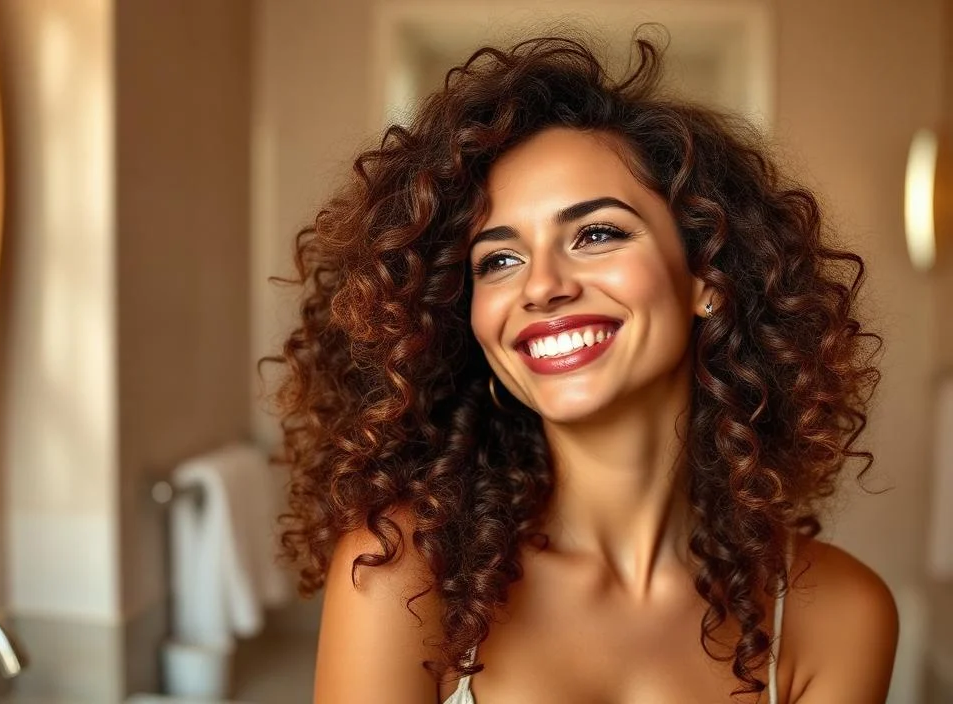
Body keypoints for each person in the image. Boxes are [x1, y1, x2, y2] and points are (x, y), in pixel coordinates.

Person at [268, 31, 899, 704]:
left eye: (597, 234)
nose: (542, 287)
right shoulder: (400, 577)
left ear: (707, 276)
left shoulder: (839, 616)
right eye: (499, 260)